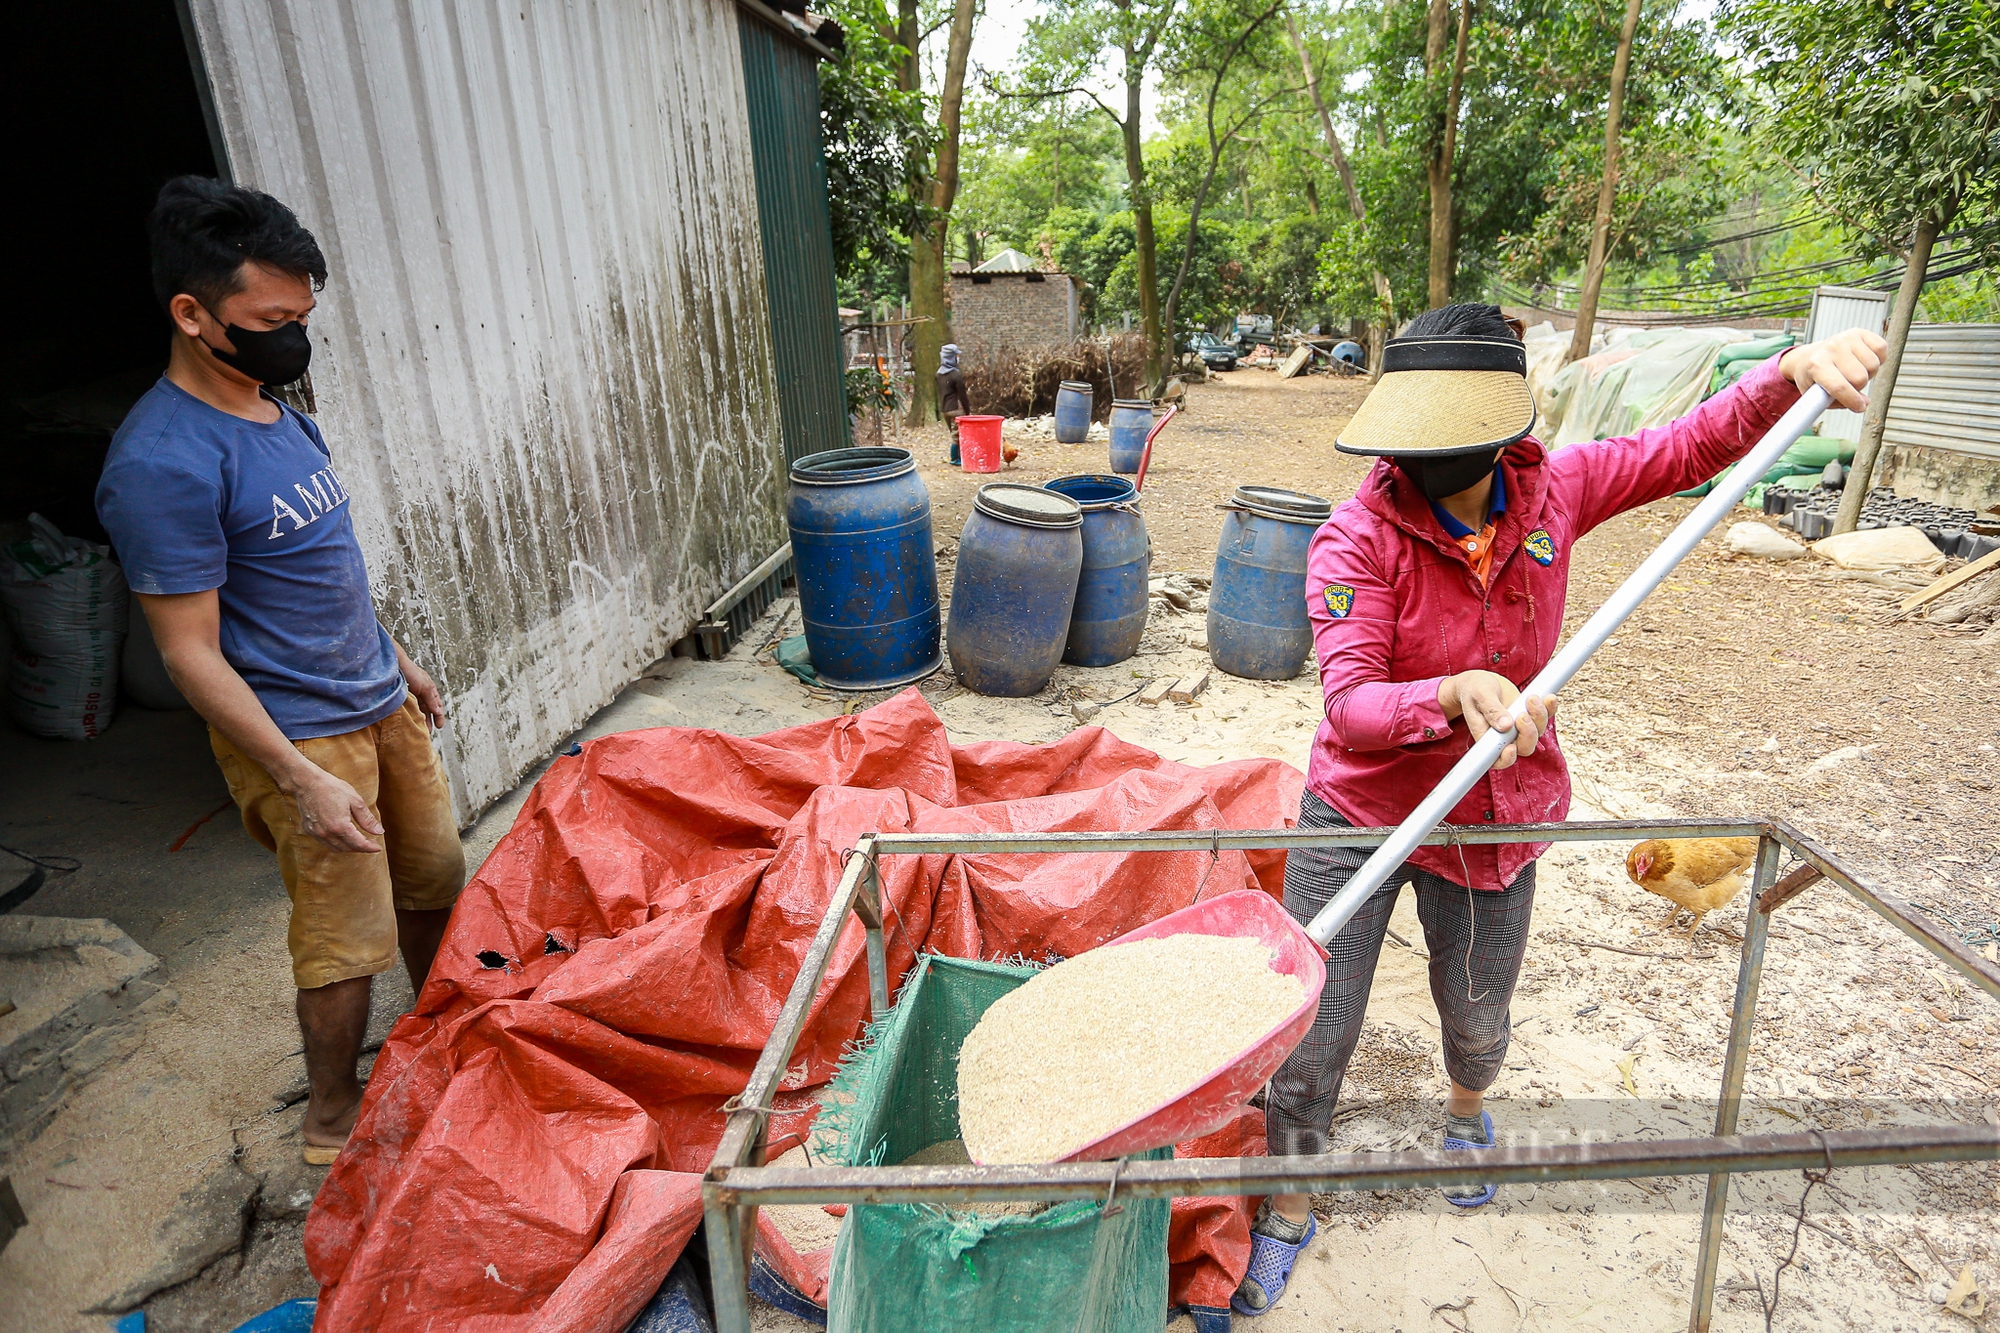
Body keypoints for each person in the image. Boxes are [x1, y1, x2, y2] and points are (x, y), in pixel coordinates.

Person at [1231, 304, 1885, 1315]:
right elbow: (1352, 706)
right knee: (1310, 1028)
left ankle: (1464, 1115)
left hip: (1497, 815)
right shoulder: (1353, 537)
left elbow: (1684, 447)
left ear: (1495, 431)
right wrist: (1449, 692)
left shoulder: (1554, 492)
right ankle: (1284, 1198)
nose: (1412, 456)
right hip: (1359, 809)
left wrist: (1787, 371)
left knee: (1476, 1011)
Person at [96, 177, 466, 1166]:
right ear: (192, 313)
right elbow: (188, 654)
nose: (295, 337)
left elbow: (323, 566)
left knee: (433, 881)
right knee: (346, 935)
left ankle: (441, 1042)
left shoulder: (277, 409)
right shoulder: (162, 463)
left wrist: (398, 658)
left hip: (377, 699)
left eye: (302, 317)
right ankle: (332, 1117)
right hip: (300, 733)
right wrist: (300, 777)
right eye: (272, 320)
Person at [937, 342, 969, 464]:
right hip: (956, 408)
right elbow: (962, 395)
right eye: (956, 355)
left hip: (945, 409)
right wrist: (967, 410)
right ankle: (955, 459)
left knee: (953, 433)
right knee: (957, 436)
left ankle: (958, 457)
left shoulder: (938, 374)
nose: (958, 358)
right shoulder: (956, 375)